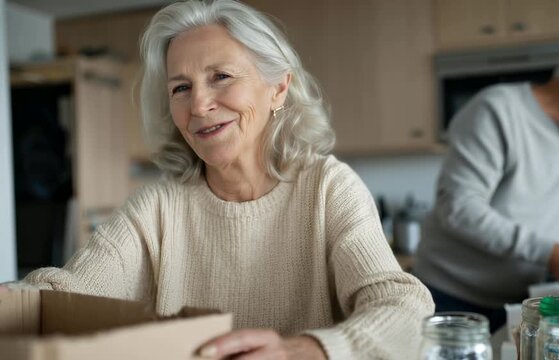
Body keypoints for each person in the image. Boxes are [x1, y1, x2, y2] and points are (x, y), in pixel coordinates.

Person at [2, 1, 434, 358]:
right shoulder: (156, 208)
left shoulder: (329, 188)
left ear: (278, 89)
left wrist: (306, 351)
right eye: (180, 88)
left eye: (220, 77)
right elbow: (64, 294)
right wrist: (12, 303)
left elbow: (403, 306)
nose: (200, 105)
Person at [413, 25, 559, 333]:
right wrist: (552, 252)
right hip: (450, 300)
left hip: (520, 301)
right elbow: (460, 209)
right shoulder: (497, 112)